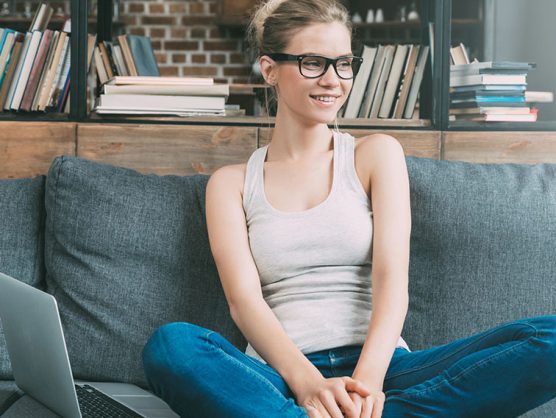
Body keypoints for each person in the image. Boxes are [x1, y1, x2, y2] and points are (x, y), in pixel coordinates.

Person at [142, 0, 556, 417]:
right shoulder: (230, 184)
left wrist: (366, 387)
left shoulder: (375, 155)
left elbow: (392, 280)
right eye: (312, 63)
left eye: (343, 63)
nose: (332, 80)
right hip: (282, 377)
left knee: (550, 340)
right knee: (171, 345)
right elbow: (244, 301)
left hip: (385, 370)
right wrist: (309, 387)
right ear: (269, 69)